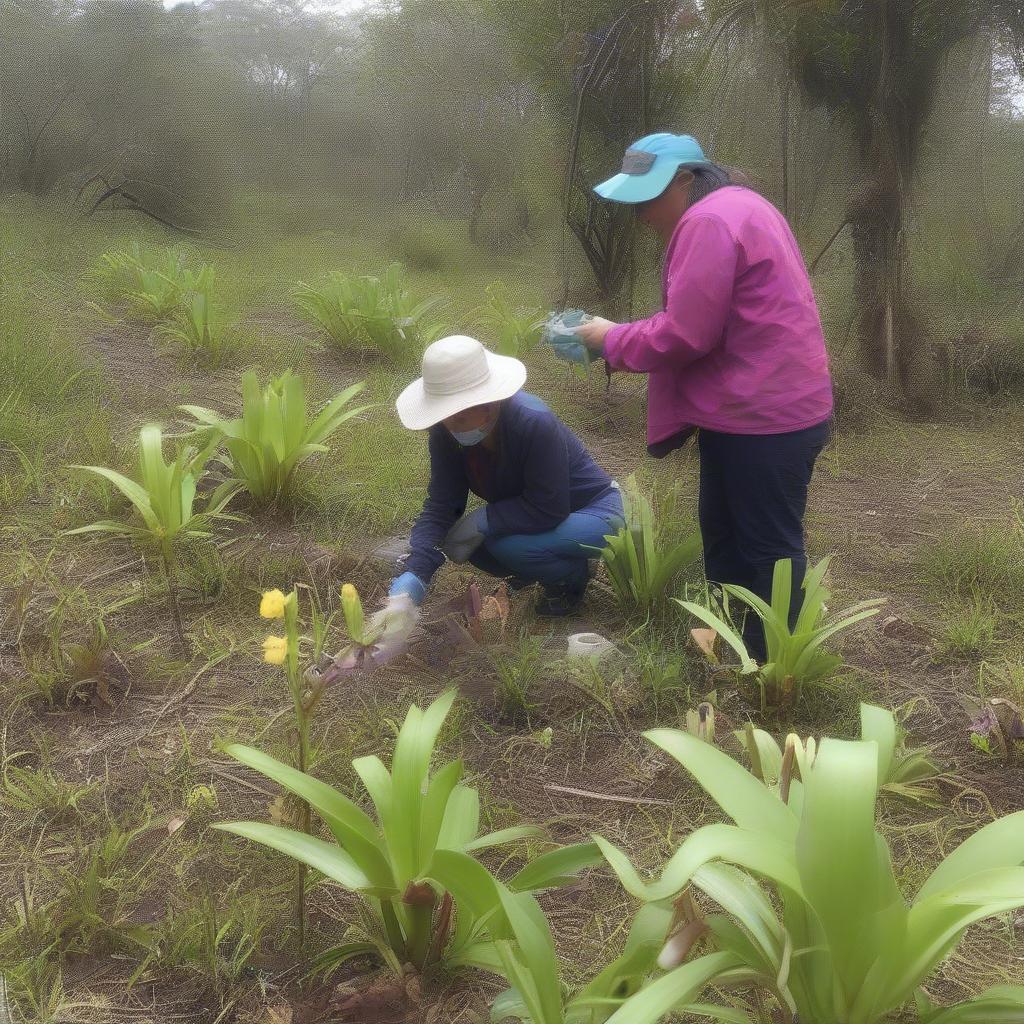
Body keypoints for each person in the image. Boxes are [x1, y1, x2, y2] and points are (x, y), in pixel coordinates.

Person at [563, 131, 834, 662]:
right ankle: (735, 643)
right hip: (754, 410)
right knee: (727, 535)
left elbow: (688, 333)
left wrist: (609, 339)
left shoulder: (708, 220)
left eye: (647, 196)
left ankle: (771, 669)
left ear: (685, 179)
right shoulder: (743, 206)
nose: (639, 213)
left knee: (767, 548)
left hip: (765, 418)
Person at [387, 334, 624, 617]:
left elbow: (550, 507)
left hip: (597, 510)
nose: (451, 425)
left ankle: (572, 576)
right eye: (444, 416)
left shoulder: (533, 422)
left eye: (459, 416)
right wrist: (416, 573)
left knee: (507, 545)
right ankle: (542, 565)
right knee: (473, 547)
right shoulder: (446, 433)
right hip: (543, 514)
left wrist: (486, 518)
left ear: (489, 404)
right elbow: (442, 506)